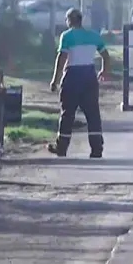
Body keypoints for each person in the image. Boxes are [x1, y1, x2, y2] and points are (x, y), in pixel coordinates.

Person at [48, 8, 109, 158]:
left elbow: (61, 58)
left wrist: (55, 80)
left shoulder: (66, 36)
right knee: (93, 113)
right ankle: (97, 149)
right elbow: (106, 56)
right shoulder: (94, 35)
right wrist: (104, 70)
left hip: (72, 77)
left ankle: (61, 147)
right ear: (81, 20)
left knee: (67, 113)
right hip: (89, 76)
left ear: (69, 21)